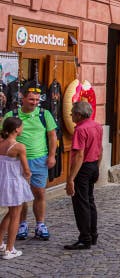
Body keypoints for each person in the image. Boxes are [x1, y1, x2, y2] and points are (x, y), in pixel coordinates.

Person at [3, 80, 56, 241]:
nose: (34, 102)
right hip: (16, 162)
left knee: (39, 192)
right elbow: (3, 137)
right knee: (20, 195)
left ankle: (40, 224)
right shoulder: (11, 115)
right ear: (23, 98)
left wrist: (52, 155)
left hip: (40, 159)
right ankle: (22, 223)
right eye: (31, 99)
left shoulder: (44, 114)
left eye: (37, 99)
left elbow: (52, 136)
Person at [63, 101, 103, 250]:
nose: (71, 115)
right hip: (93, 165)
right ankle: (93, 235)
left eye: (72, 113)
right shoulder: (97, 125)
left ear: (78, 115)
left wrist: (70, 178)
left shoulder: (80, 130)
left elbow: (79, 155)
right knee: (90, 201)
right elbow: (101, 149)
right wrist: (97, 168)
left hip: (83, 167)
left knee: (81, 204)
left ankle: (85, 238)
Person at [0, 117, 33, 260]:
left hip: (3, 180)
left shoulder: (0, 143)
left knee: (11, 212)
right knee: (15, 215)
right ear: (17, 129)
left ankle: (0, 242)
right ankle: (9, 249)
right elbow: (26, 169)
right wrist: (28, 177)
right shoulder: (19, 147)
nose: (23, 128)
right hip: (14, 182)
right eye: (22, 126)